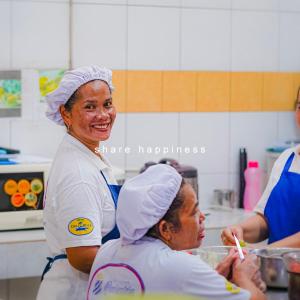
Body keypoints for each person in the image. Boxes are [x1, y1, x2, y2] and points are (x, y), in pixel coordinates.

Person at [87, 164, 266, 300]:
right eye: (194, 211)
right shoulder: (181, 265)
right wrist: (244, 276)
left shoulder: (107, 250)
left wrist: (214, 281)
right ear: (166, 229)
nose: (202, 217)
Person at [37, 66, 121, 300]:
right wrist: (144, 261)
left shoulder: (88, 155)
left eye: (107, 104)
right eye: (90, 107)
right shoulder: (78, 173)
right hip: (74, 292)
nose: (104, 115)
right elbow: (83, 256)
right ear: (66, 114)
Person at [222, 91, 300, 248]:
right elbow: (267, 221)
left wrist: (265, 253)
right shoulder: (287, 158)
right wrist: (241, 230)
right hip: (276, 270)